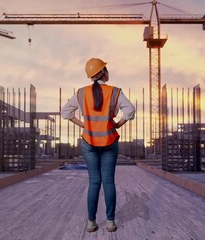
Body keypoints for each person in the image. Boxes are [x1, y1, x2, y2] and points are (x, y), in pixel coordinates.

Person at [61, 58, 135, 233]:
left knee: (94, 182)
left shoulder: (81, 93)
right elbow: (130, 110)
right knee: (108, 181)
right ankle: (110, 222)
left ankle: (91, 222)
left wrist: (83, 125)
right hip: (109, 141)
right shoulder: (115, 92)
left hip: (89, 141)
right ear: (103, 73)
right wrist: (119, 124)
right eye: (106, 69)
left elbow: (66, 112)